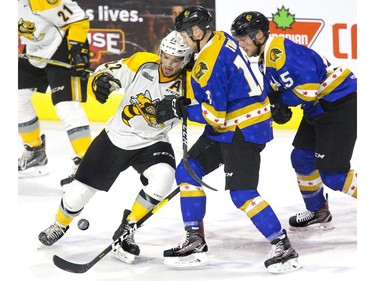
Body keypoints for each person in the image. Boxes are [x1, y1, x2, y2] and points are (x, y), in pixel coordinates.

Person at [155, 6, 302, 273]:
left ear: (198, 32)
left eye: (187, 37)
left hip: (243, 130)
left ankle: (283, 246)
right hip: (234, 126)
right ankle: (195, 240)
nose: (185, 42)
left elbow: (215, 116)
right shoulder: (221, 38)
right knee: (187, 172)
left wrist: (180, 109)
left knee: (242, 193)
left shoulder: (206, 64)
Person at [38, 30, 194, 264]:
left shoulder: (190, 82)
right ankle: (59, 225)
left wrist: (188, 110)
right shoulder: (143, 63)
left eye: (176, 60)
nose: (169, 64)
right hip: (115, 137)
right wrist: (99, 82)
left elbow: (207, 110)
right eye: (166, 56)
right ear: (160, 52)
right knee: (76, 196)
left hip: (153, 141)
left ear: (186, 60)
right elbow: (106, 71)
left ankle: (127, 228)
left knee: (164, 177)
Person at [230, 11, 357, 231]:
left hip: (338, 104)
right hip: (320, 108)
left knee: (334, 176)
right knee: (302, 158)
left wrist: (281, 103)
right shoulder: (265, 59)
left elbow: (307, 90)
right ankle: (318, 211)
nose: (241, 44)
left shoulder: (278, 51)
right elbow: (273, 95)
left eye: (243, 39)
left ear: (259, 35)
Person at [18, 0, 92, 184]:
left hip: (64, 47)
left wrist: (77, 50)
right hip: (34, 50)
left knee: (66, 106)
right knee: (14, 98)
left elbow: (78, 18)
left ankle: (88, 165)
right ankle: (35, 152)